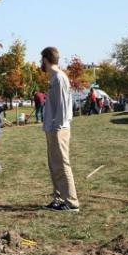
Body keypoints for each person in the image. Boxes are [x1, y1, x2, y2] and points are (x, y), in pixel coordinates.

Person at [40, 46, 79, 212]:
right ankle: (58, 199)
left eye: (41, 59)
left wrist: (56, 128)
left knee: (62, 164)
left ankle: (71, 202)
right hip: (52, 128)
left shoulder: (59, 78)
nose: (40, 63)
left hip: (59, 129)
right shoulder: (54, 78)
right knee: (54, 165)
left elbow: (63, 107)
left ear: (45, 59)